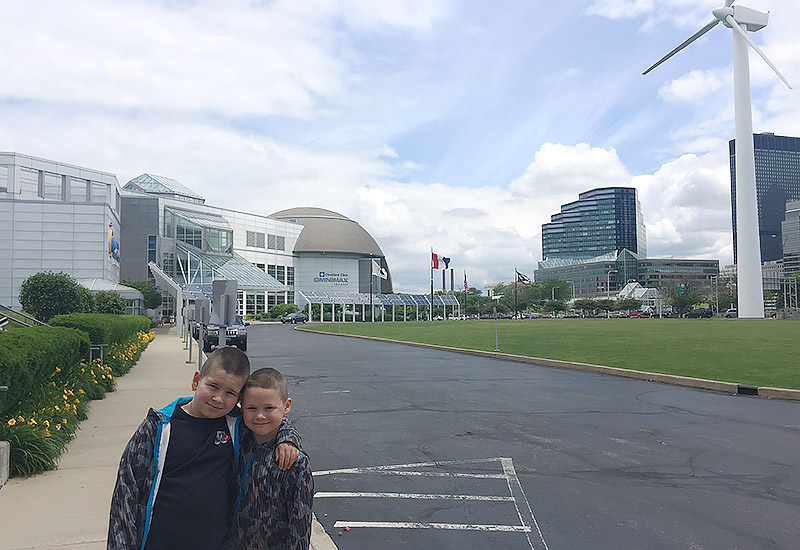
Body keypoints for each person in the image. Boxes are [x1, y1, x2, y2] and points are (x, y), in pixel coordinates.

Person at [107, 347, 301, 550]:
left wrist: (288, 437)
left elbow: (269, 421)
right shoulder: (157, 428)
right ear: (196, 380)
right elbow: (125, 494)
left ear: (239, 400)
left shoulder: (237, 427)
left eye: (230, 393)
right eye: (213, 386)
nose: (218, 398)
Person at [234, 368, 313, 550]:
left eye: (269, 408)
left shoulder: (295, 463)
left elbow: (300, 524)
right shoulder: (238, 440)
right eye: (251, 408)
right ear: (241, 406)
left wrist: (288, 436)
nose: (260, 415)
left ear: (286, 406)